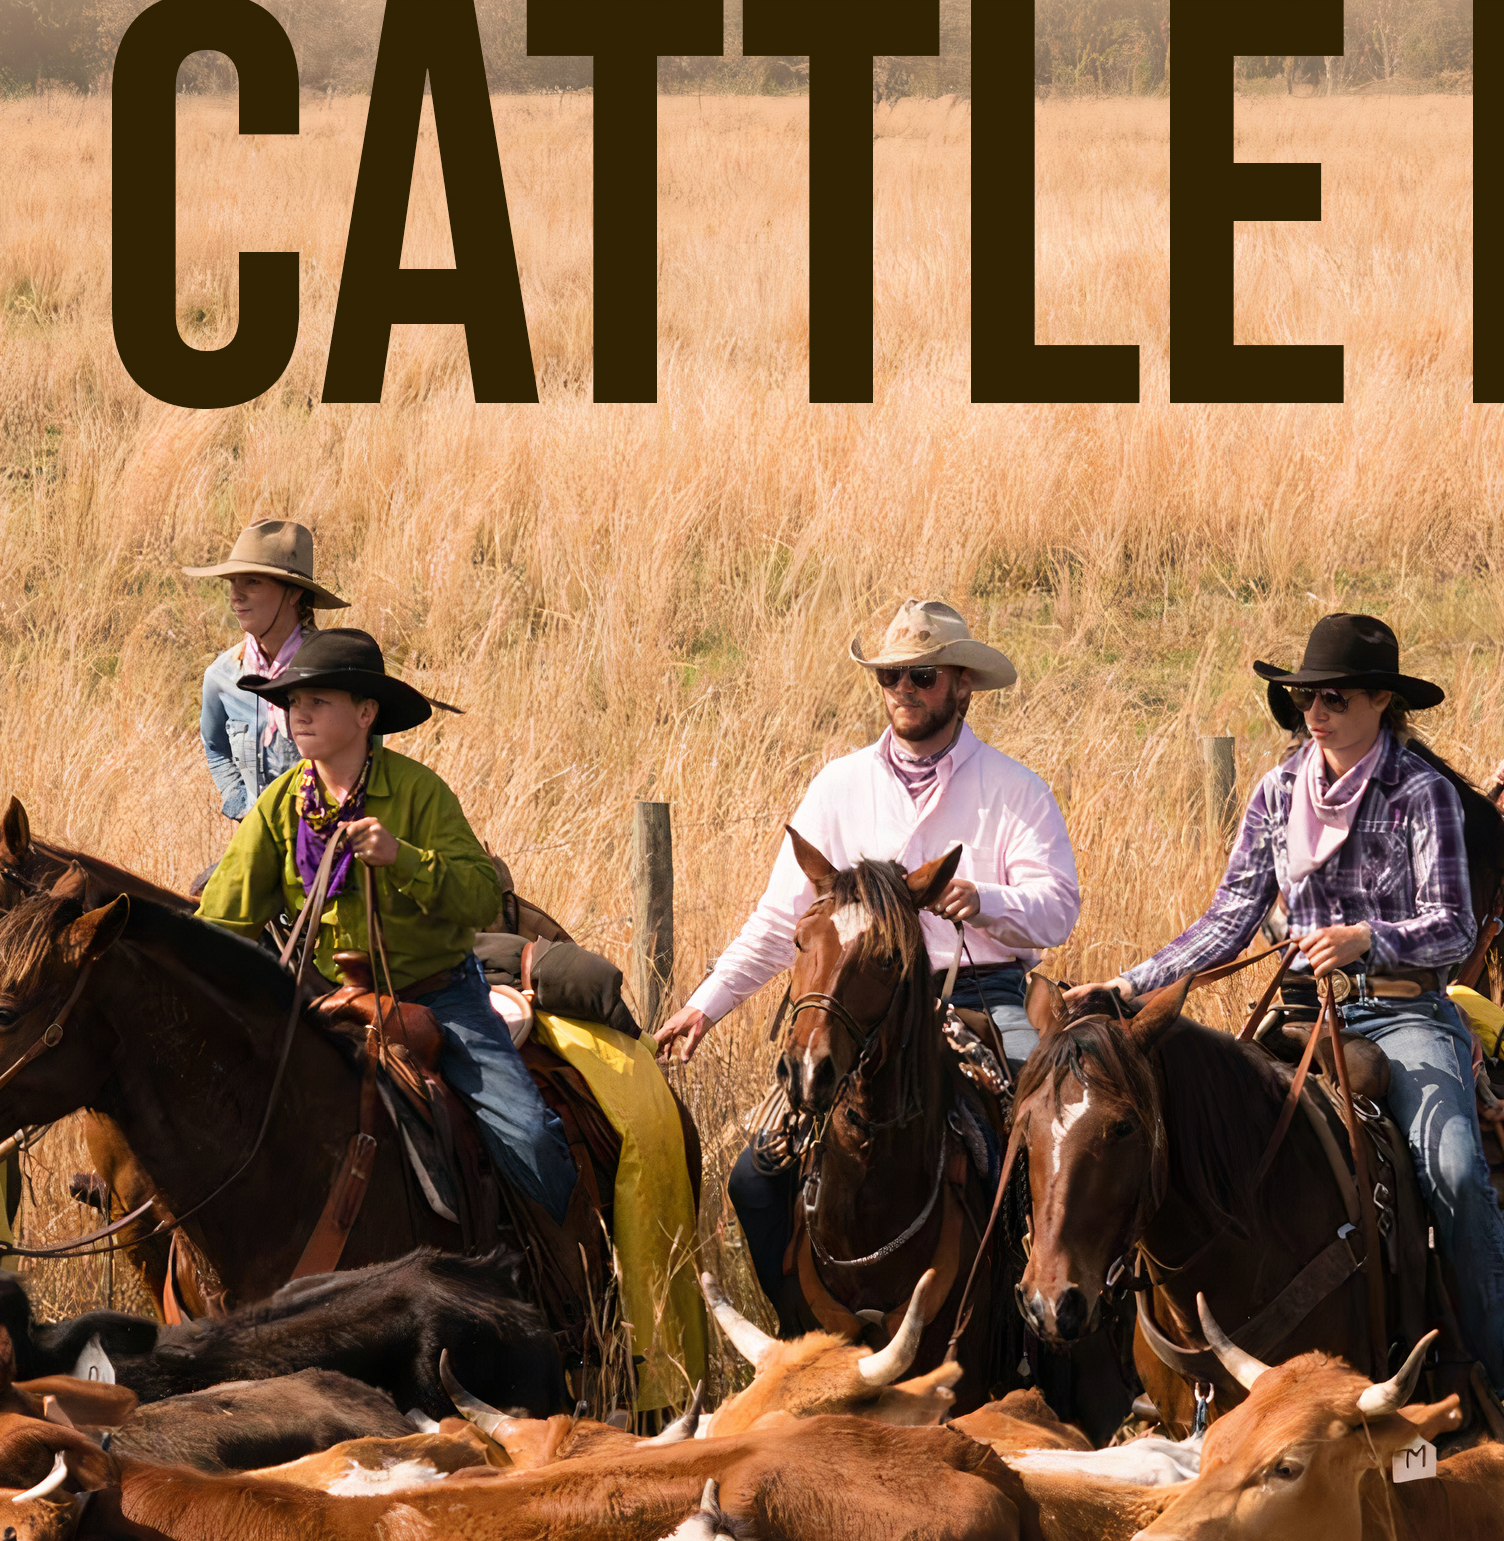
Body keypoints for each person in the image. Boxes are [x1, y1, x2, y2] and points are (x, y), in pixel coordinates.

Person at [1089, 614, 1504, 1392]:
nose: (1315, 713)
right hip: (1293, 1014)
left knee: (1455, 1170)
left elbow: (1453, 928)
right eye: (1304, 698)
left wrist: (1369, 939)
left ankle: (1484, 1377)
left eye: (1335, 697)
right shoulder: (1278, 788)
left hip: (1403, 1014)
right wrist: (1128, 986)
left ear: (1382, 701)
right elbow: (1229, 918)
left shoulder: (1421, 791)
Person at [655, 599, 1082, 1331]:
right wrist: (706, 1004)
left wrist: (984, 899)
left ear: (960, 686)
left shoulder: (1014, 789)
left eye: (922, 675)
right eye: (891, 676)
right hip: (859, 1004)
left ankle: (1032, 1331)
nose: (904, 690)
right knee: (756, 1178)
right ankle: (800, 1328)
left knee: (1040, 1149)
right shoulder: (839, 785)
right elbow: (782, 920)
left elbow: (1058, 907)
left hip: (982, 991)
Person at [195, 628, 578, 1213]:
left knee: (527, 1136)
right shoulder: (279, 804)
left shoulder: (421, 794)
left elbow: (481, 898)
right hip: (328, 1002)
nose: (299, 714)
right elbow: (222, 925)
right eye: (293, 702)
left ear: (366, 712)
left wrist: (404, 859)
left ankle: (571, 1278)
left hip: (440, 1002)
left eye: (317, 701)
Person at [186, 517, 340, 823]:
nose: (235, 595)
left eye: (252, 582)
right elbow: (215, 747)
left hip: (330, 841)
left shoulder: (334, 670)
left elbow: (367, 753)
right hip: (258, 843)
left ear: (294, 593)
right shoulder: (223, 677)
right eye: (232, 582)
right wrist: (240, 803)